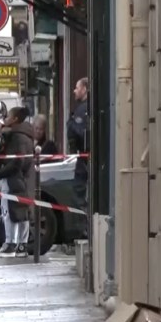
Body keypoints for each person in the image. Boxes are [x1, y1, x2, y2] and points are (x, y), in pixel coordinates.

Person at [0, 106, 35, 258]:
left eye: (9, 116)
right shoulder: (23, 135)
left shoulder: (17, 137)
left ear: (15, 119)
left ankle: (11, 244)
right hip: (22, 179)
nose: (6, 119)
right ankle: (20, 246)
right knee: (21, 212)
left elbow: (17, 161)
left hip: (14, 180)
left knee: (9, 212)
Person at [67, 77, 89, 237]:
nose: (74, 91)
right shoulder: (81, 108)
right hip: (83, 157)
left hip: (85, 158)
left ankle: (85, 229)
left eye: (77, 87)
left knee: (79, 193)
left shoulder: (83, 109)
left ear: (85, 89)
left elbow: (80, 132)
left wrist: (72, 123)